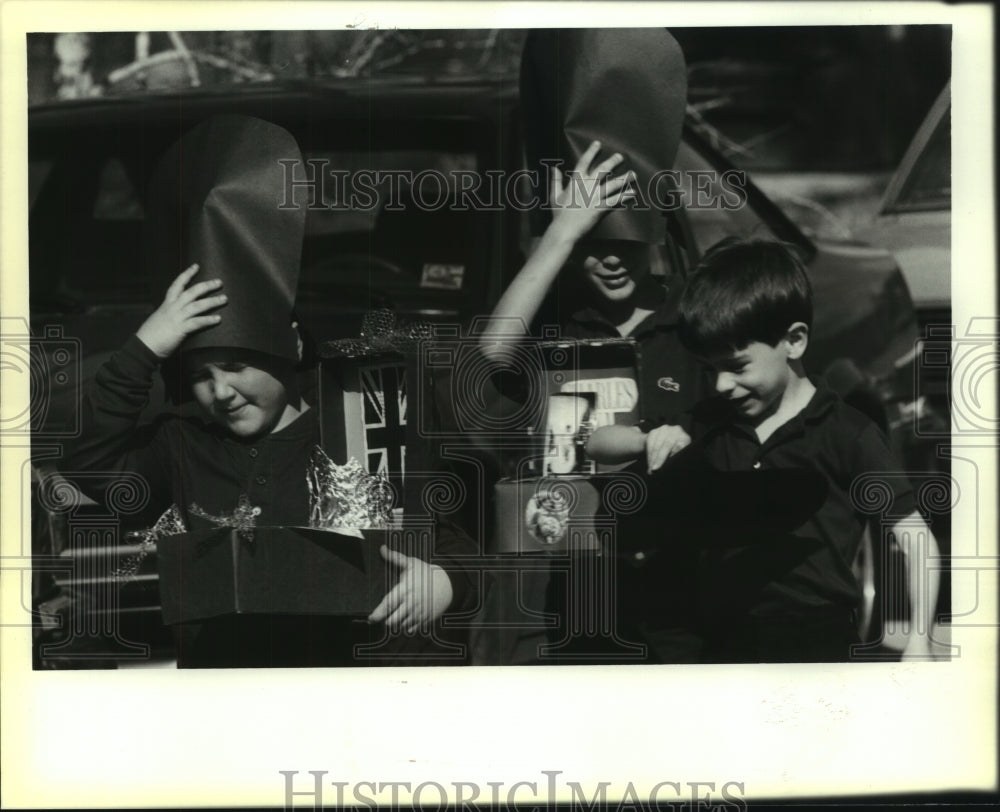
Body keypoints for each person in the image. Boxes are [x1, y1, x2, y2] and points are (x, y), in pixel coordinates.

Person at [62, 115, 473, 667]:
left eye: (235, 366)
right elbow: (88, 467)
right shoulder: (183, 442)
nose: (220, 392)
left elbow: (456, 545)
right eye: (200, 377)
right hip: (226, 689)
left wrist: (446, 583)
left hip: (352, 685)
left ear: (294, 346)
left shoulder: (360, 421)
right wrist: (145, 347)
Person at [478, 28, 709, 664]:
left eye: (625, 243)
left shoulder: (692, 319)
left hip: (677, 595)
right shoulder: (552, 324)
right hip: (569, 594)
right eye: (592, 246)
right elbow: (484, 364)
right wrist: (560, 235)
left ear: (655, 231)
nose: (609, 261)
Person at [676, 238, 940, 662]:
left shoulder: (846, 433)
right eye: (711, 370)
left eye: (738, 365)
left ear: (794, 342)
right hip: (723, 644)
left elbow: (915, 539)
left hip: (816, 642)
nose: (722, 385)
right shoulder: (711, 425)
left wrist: (919, 641)